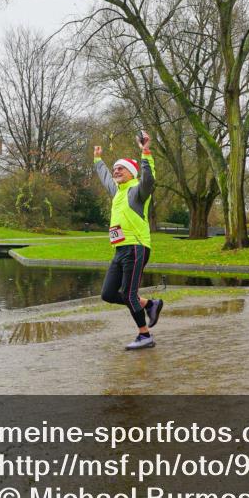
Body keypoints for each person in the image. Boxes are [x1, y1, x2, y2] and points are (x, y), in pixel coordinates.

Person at [93, 132, 164, 350]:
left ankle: (145, 336)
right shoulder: (118, 192)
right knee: (108, 294)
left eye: (120, 168)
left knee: (129, 294)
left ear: (131, 172)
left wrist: (145, 152)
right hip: (120, 250)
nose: (116, 171)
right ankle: (149, 304)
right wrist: (98, 160)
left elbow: (149, 179)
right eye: (115, 169)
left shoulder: (137, 191)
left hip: (136, 247)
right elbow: (105, 177)